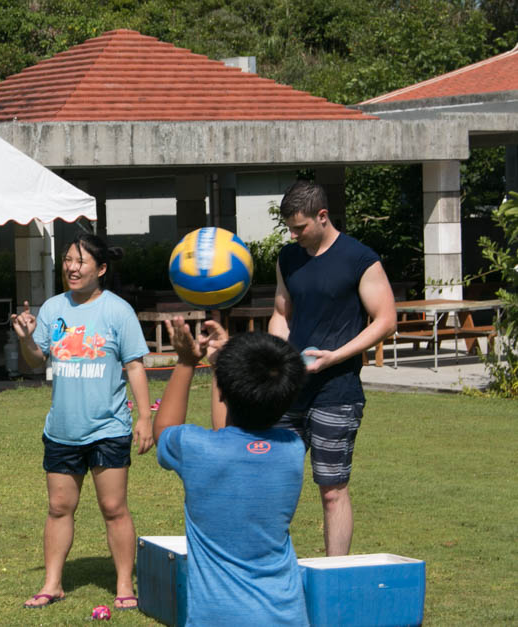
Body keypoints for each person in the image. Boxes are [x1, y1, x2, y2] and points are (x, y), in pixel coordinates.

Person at [11, 232, 153, 611]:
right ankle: (52, 584)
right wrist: (26, 339)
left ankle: (124, 585)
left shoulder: (117, 311)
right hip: (62, 429)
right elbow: (36, 359)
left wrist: (145, 417)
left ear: (101, 269)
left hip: (108, 428)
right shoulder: (53, 307)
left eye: (81, 262)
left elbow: (135, 365)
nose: (72, 268)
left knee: (113, 508)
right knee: (59, 507)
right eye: (68, 261)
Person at [269, 179, 396, 556]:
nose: (293, 235)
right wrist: (278, 358)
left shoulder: (360, 259)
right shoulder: (288, 258)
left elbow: (385, 320)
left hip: (336, 392)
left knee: (332, 488)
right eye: (289, 228)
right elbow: (281, 313)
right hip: (289, 391)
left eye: (300, 227)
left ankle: (334, 575)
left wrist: (334, 356)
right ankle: (270, 570)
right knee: (274, 481)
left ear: (322, 216)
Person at [154, 315, 309, 625]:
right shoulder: (291, 448)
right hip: (285, 614)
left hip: (217, 617)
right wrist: (221, 368)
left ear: (223, 391)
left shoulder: (196, 448)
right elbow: (229, 433)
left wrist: (186, 362)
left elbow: (164, 430)